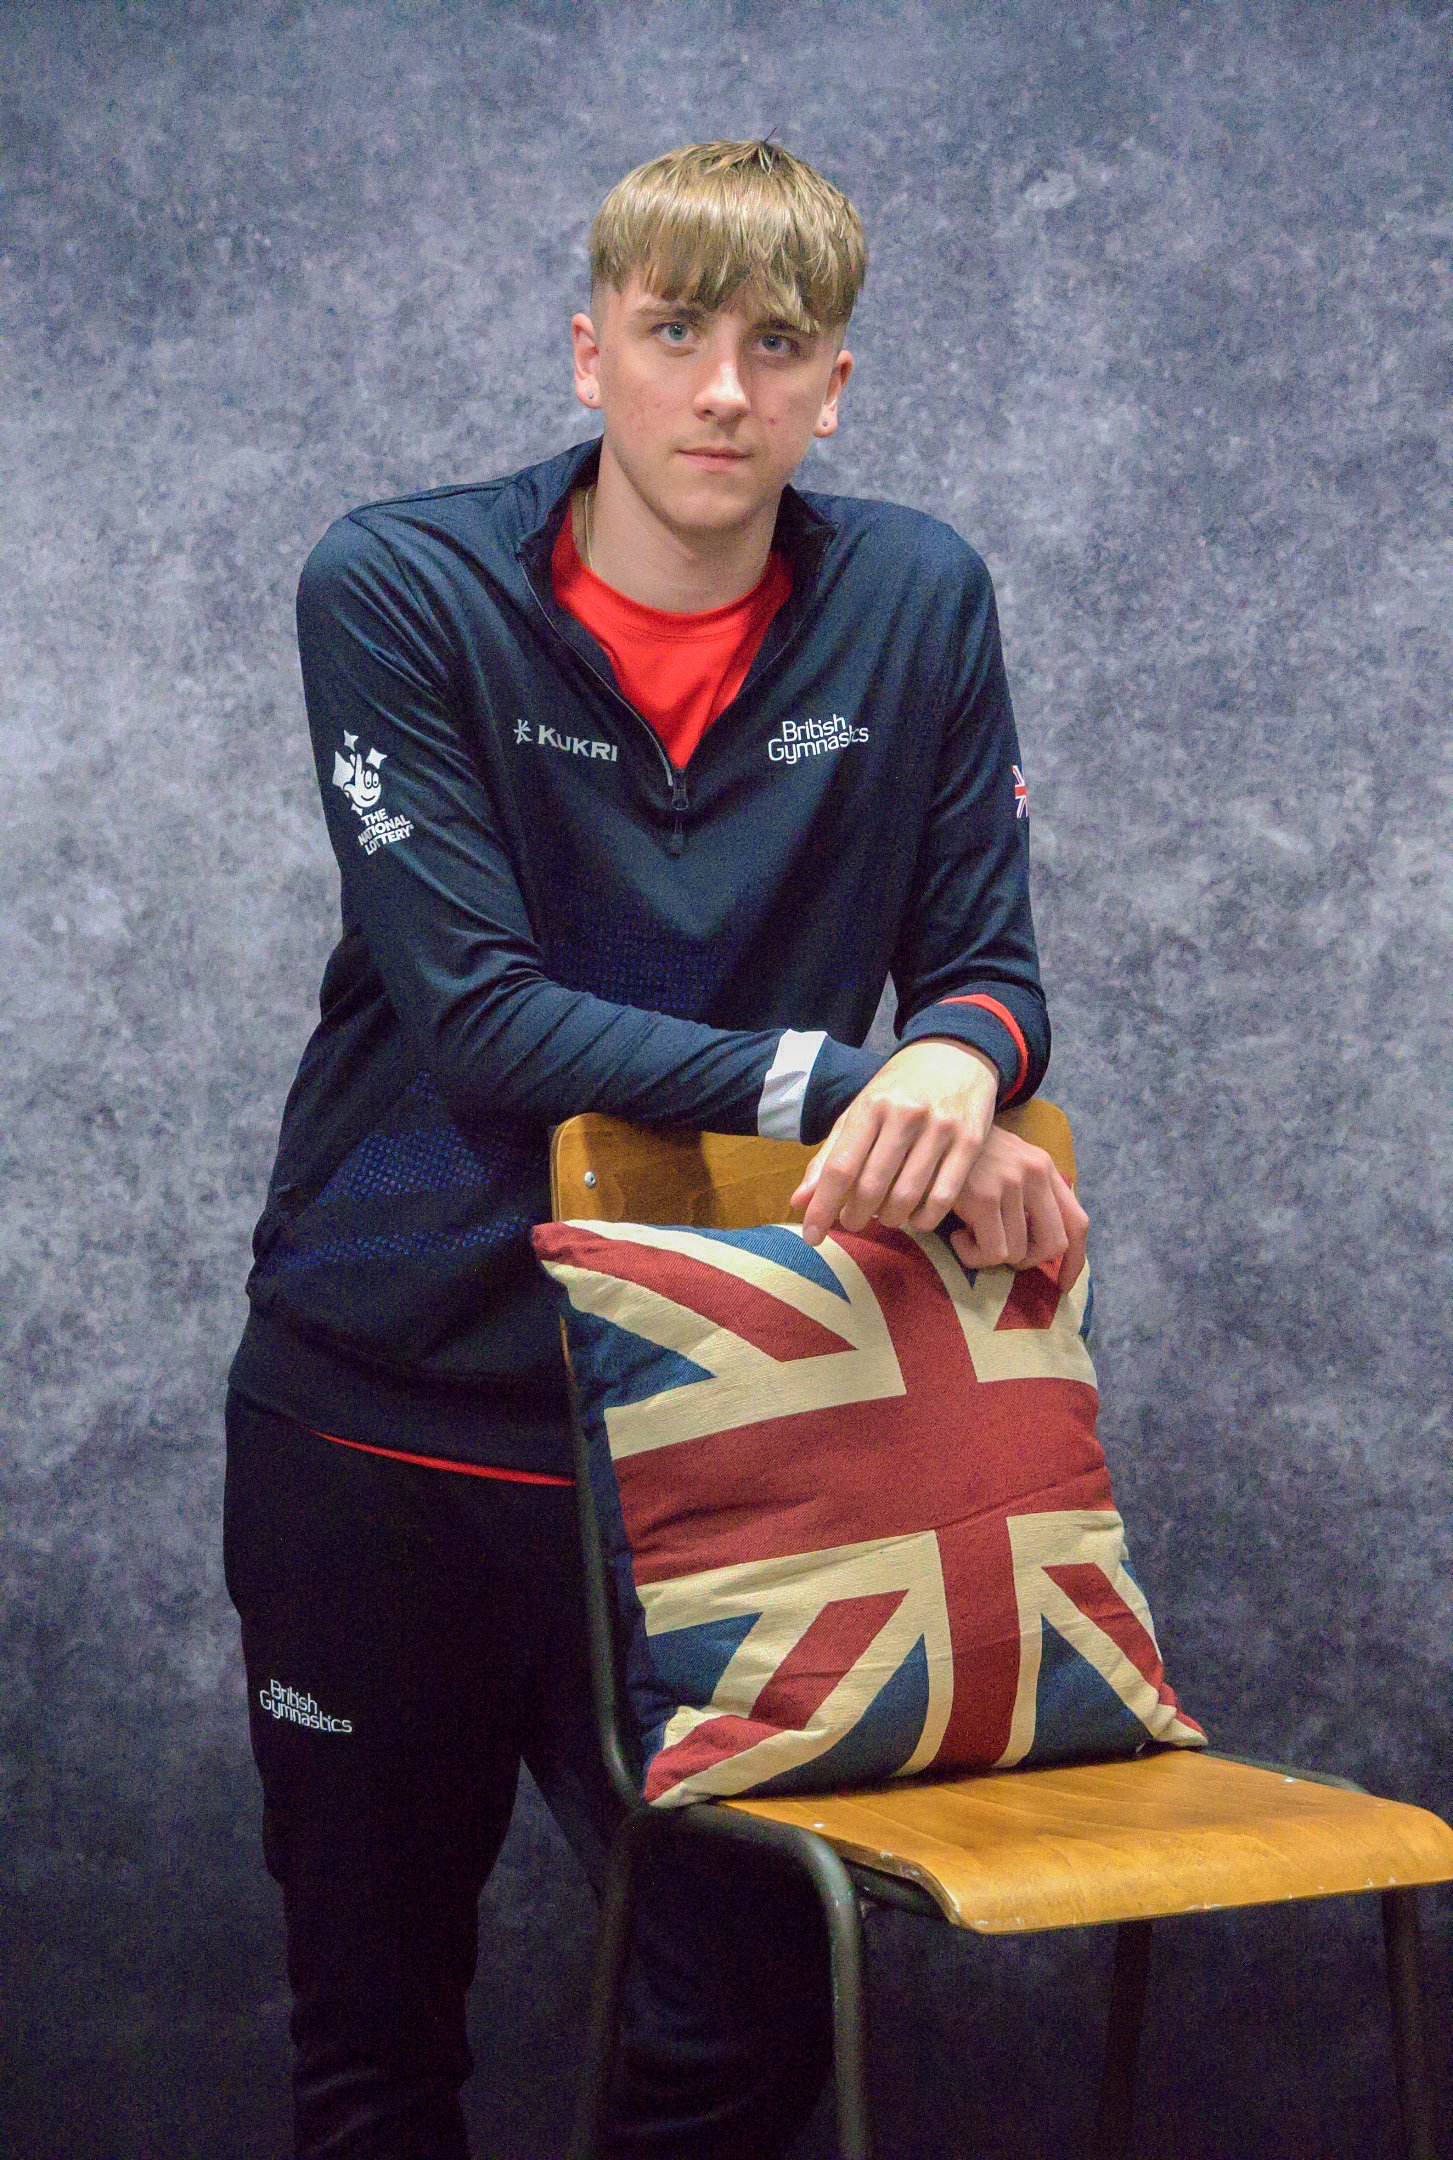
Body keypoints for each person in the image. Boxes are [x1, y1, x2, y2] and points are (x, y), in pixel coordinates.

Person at [224, 137, 1088, 2160]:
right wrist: (854, 1086)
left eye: (775, 346)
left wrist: (959, 1057)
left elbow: (986, 971)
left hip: (727, 1431)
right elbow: (483, 1021)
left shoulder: (912, 597)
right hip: (383, 1413)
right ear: (586, 350)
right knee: (373, 2054)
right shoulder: (402, 586)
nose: (722, 389)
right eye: (676, 331)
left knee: (744, 2032)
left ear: (833, 386)